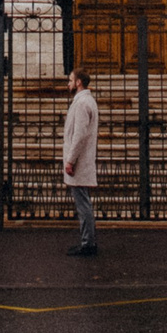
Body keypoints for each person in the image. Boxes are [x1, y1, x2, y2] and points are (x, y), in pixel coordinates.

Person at [62, 69, 99, 256]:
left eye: (70, 80)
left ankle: (88, 243)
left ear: (78, 82)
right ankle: (88, 241)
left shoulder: (82, 103)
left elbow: (79, 135)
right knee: (83, 202)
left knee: (83, 204)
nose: (67, 83)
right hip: (80, 160)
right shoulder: (84, 101)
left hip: (79, 162)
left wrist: (70, 160)